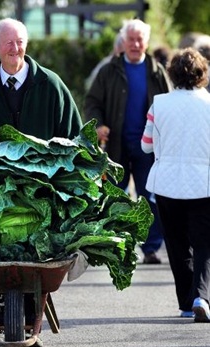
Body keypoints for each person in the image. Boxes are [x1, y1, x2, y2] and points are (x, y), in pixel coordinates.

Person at [0, 18, 82, 347]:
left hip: (45, 188)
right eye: (9, 43)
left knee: (38, 253)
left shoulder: (52, 86)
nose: (16, 49)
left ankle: (30, 318)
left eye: (21, 42)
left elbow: (75, 136)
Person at [84, 18, 171, 265]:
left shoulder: (157, 72)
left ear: (146, 42)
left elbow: (169, 105)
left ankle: (151, 248)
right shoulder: (108, 71)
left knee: (150, 198)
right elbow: (92, 103)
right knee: (114, 197)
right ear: (123, 42)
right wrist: (98, 125)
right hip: (116, 146)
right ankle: (114, 245)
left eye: (139, 39)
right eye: (130, 39)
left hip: (149, 148)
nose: (135, 44)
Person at [141, 48, 210, 321]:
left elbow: (146, 147)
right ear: (202, 74)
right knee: (204, 244)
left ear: (171, 73)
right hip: (204, 184)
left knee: (177, 244)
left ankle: (185, 302)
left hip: (167, 185)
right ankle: (202, 296)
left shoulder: (159, 104)